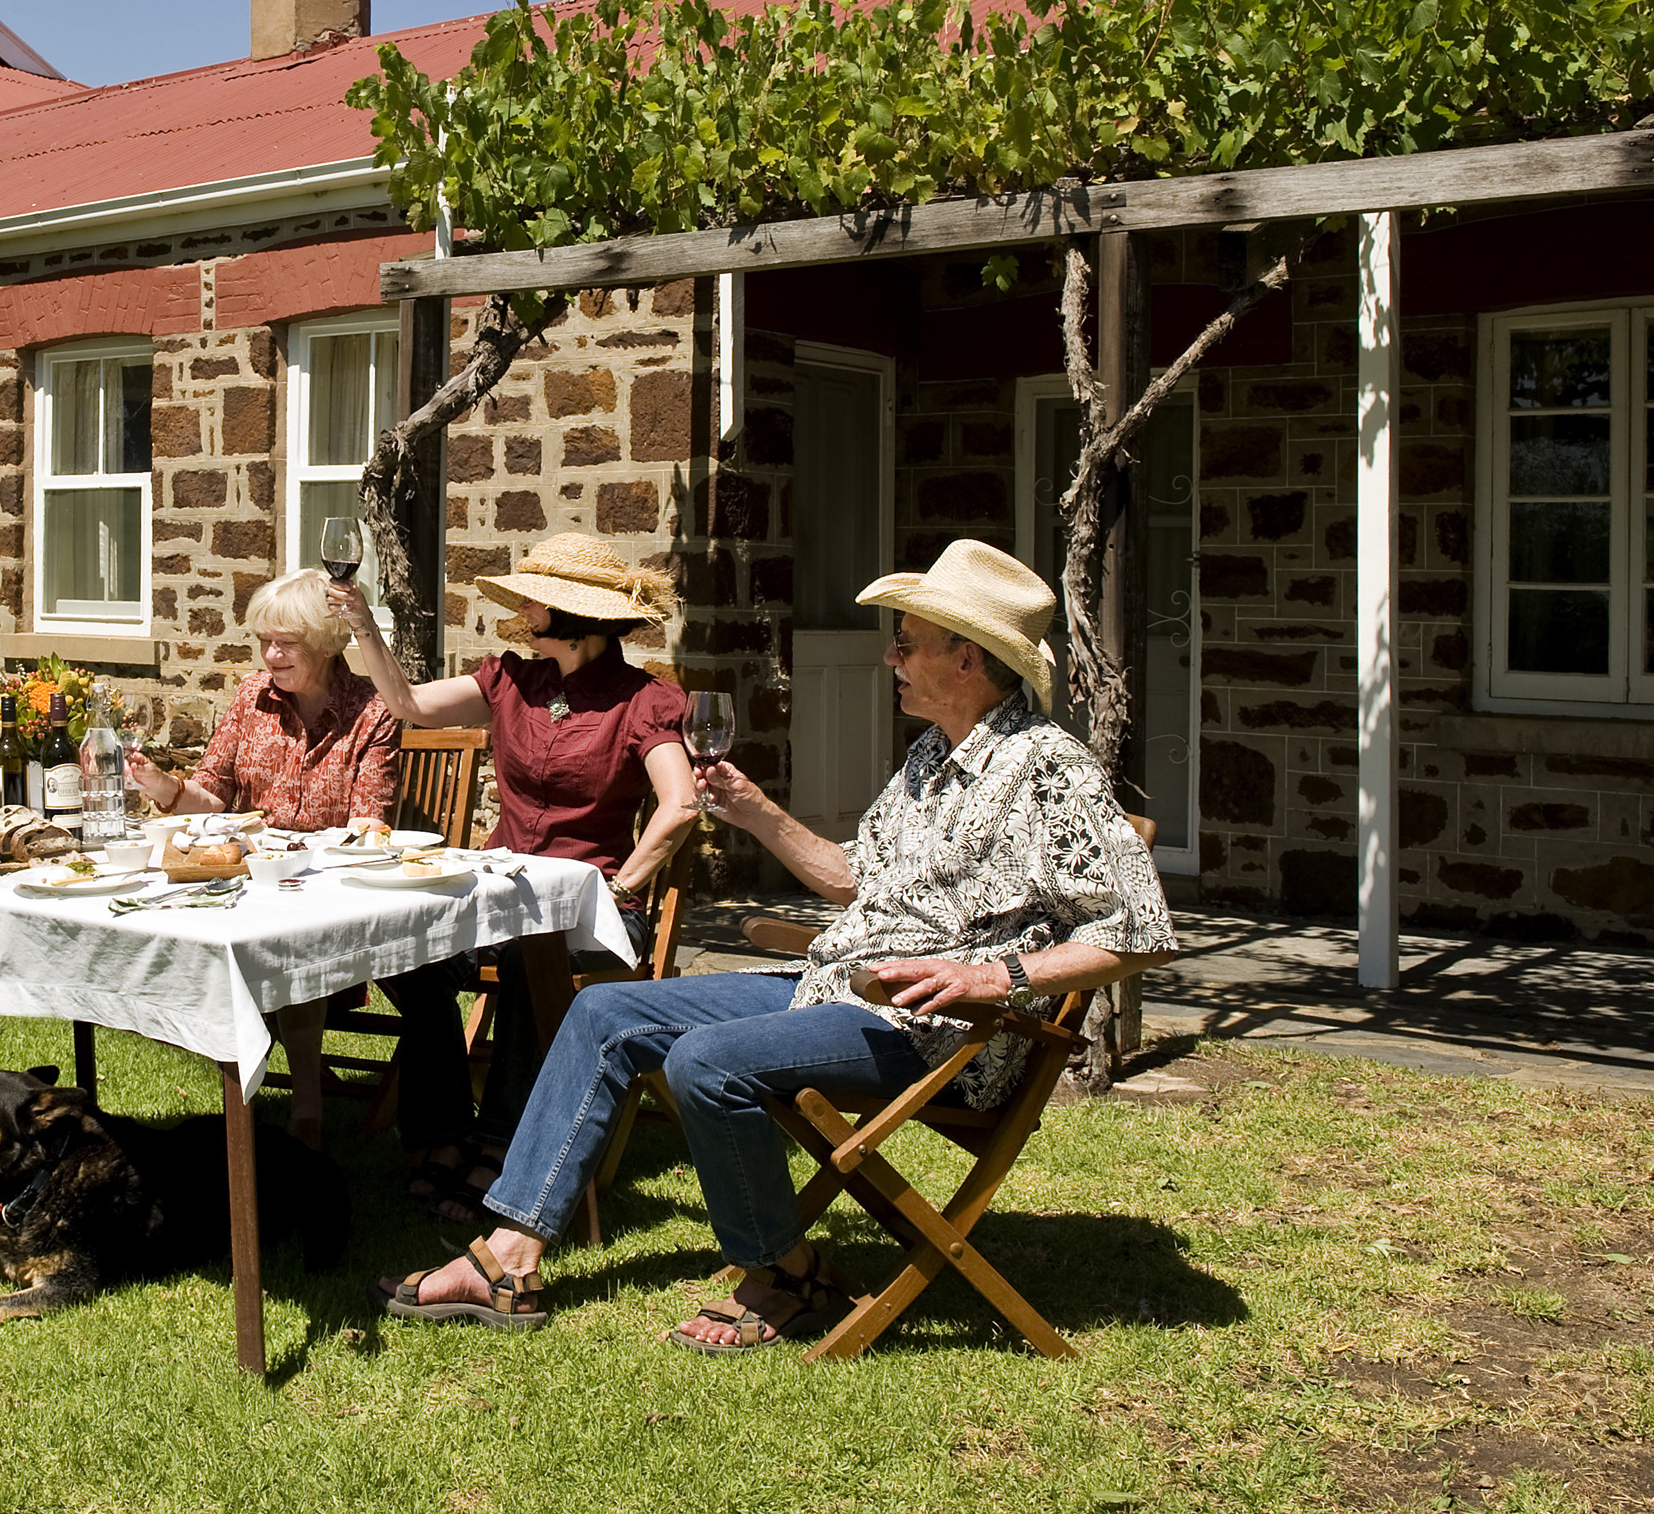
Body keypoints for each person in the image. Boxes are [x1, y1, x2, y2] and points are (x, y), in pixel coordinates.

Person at [371, 539, 1178, 1353]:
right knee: (604, 1012)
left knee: (706, 1062)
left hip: (939, 1030)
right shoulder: (934, 755)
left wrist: (987, 975)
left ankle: (784, 1271)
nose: (890, 658)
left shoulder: (1046, 766)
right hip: (838, 984)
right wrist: (756, 811)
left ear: (964, 658)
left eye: (905, 643)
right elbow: (850, 878)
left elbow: (1137, 931)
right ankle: (508, 1253)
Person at [328, 531, 699, 1222]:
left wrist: (620, 890)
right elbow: (406, 704)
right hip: (502, 895)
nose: (523, 609)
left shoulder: (644, 701)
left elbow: (679, 804)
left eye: (536, 601)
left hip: (594, 907)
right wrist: (363, 626)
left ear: (573, 616)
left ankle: (502, 1144)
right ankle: (441, 1132)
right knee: (412, 957)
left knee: (539, 959)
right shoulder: (510, 679)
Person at [126, 568, 403, 1147]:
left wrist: (303, 853)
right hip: (245, 876)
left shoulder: (371, 711)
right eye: (263, 641)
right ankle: (251, 1088)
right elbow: (212, 794)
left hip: (326, 890)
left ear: (326, 642)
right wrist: (163, 788)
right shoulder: (249, 699)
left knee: (289, 938)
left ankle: (304, 1103)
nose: (270, 655)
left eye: (286, 643)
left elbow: (370, 823)